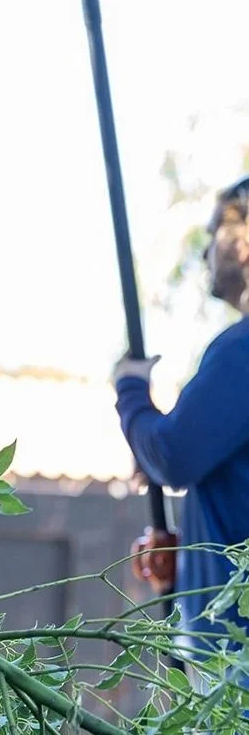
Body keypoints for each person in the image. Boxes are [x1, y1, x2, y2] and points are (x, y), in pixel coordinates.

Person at [113, 175, 249, 673]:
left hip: (235, 665)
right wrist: (187, 563)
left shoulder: (243, 348)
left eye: (216, 231)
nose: (206, 252)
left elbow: (173, 455)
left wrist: (130, 392)